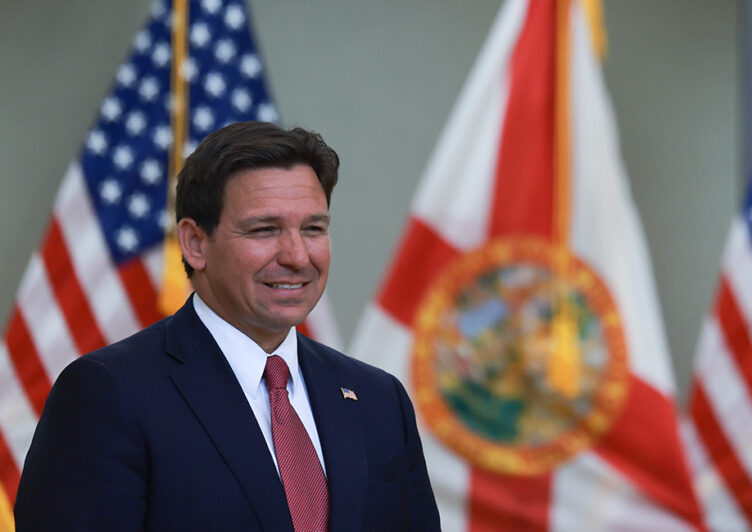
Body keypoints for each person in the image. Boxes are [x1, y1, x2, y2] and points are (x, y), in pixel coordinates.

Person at [14, 121, 441, 531]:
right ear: (196, 243)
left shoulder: (378, 399)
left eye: (313, 228)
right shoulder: (107, 395)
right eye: (264, 229)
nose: (296, 255)